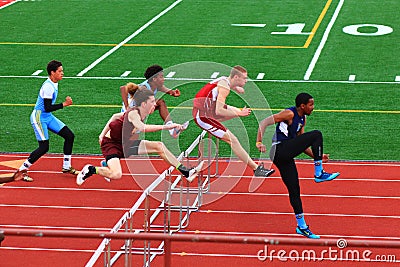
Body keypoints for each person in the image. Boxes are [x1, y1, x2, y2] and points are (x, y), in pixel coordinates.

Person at [77, 88, 203, 185]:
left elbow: (116, 116)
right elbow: (143, 128)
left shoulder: (141, 112)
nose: (155, 104)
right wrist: (168, 126)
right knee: (116, 174)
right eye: (152, 102)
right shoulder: (134, 114)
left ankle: (186, 172)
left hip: (127, 143)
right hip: (112, 144)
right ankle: (91, 169)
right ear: (144, 104)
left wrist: (101, 134)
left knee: (159, 146)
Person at [256, 92, 340, 239]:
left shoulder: (303, 119)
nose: (313, 107)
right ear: (302, 106)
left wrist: (317, 156)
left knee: (294, 190)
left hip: (284, 155)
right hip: (279, 150)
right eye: (310, 105)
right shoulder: (289, 114)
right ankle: (319, 173)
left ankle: (302, 227)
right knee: (317, 134)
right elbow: (264, 122)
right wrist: (258, 141)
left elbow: (300, 142)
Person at [192, 65, 275, 177]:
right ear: (236, 77)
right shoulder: (224, 88)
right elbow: (219, 110)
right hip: (203, 116)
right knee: (233, 139)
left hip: (209, 108)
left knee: (237, 110)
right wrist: (238, 114)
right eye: (244, 78)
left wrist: (236, 88)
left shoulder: (225, 80)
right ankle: (256, 169)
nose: (246, 81)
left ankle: (219, 125)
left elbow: (225, 85)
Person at [12, 60, 78, 182]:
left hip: (47, 116)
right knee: (44, 147)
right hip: (39, 117)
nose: (62, 73)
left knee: (69, 136)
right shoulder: (48, 87)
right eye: (60, 71)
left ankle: (66, 166)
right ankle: (21, 170)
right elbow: (47, 107)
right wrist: (65, 104)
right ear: (52, 73)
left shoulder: (54, 83)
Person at [120, 64, 188, 138]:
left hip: (141, 111)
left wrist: (173, 92)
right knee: (131, 138)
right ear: (154, 79)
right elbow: (123, 88)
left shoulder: (156, 86)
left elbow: (164, 89)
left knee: (161, 103)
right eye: (161, 77)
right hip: (131, 113)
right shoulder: (144, 88)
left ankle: (172, 130)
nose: (163, 79)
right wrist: (127, 107)